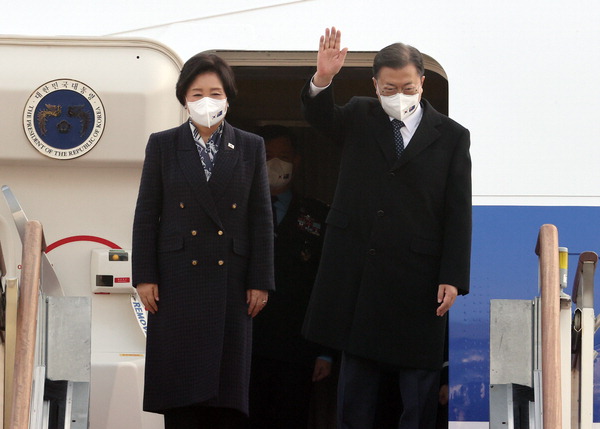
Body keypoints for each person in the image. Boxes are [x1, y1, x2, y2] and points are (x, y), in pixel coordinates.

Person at [301, 27, 472, 429]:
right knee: (356, 390)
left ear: (422, 83)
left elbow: (458, 212)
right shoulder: (359, 114)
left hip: (418, 277)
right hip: (362, 273)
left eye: (408, 87)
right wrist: (323, 78)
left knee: (417, 392)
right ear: (375, 85)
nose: (399, 95)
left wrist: (452, 276)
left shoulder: (451, 136)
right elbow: (321, 117)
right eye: (390, 87)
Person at [132, 53, 275, 429]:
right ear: (184, 98)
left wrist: (261, 280)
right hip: (176, 280)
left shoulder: (250, 146)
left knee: (225, 398)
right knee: (181, 396)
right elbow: (147, 214)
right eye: (197, 93)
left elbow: (261, 219)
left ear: (228, 97)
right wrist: (144, 276)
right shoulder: (163, 144)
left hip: (232, 281)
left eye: (215, 92)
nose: (206, 101)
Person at [249, 125, 332, 429]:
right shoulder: (236, 210)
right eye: (267, 156)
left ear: (296, 160)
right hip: (246, 344)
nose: (275, 163)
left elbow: (327, 286)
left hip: (297, 347)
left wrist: (326, 352)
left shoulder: (318, 215)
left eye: (283, 156)